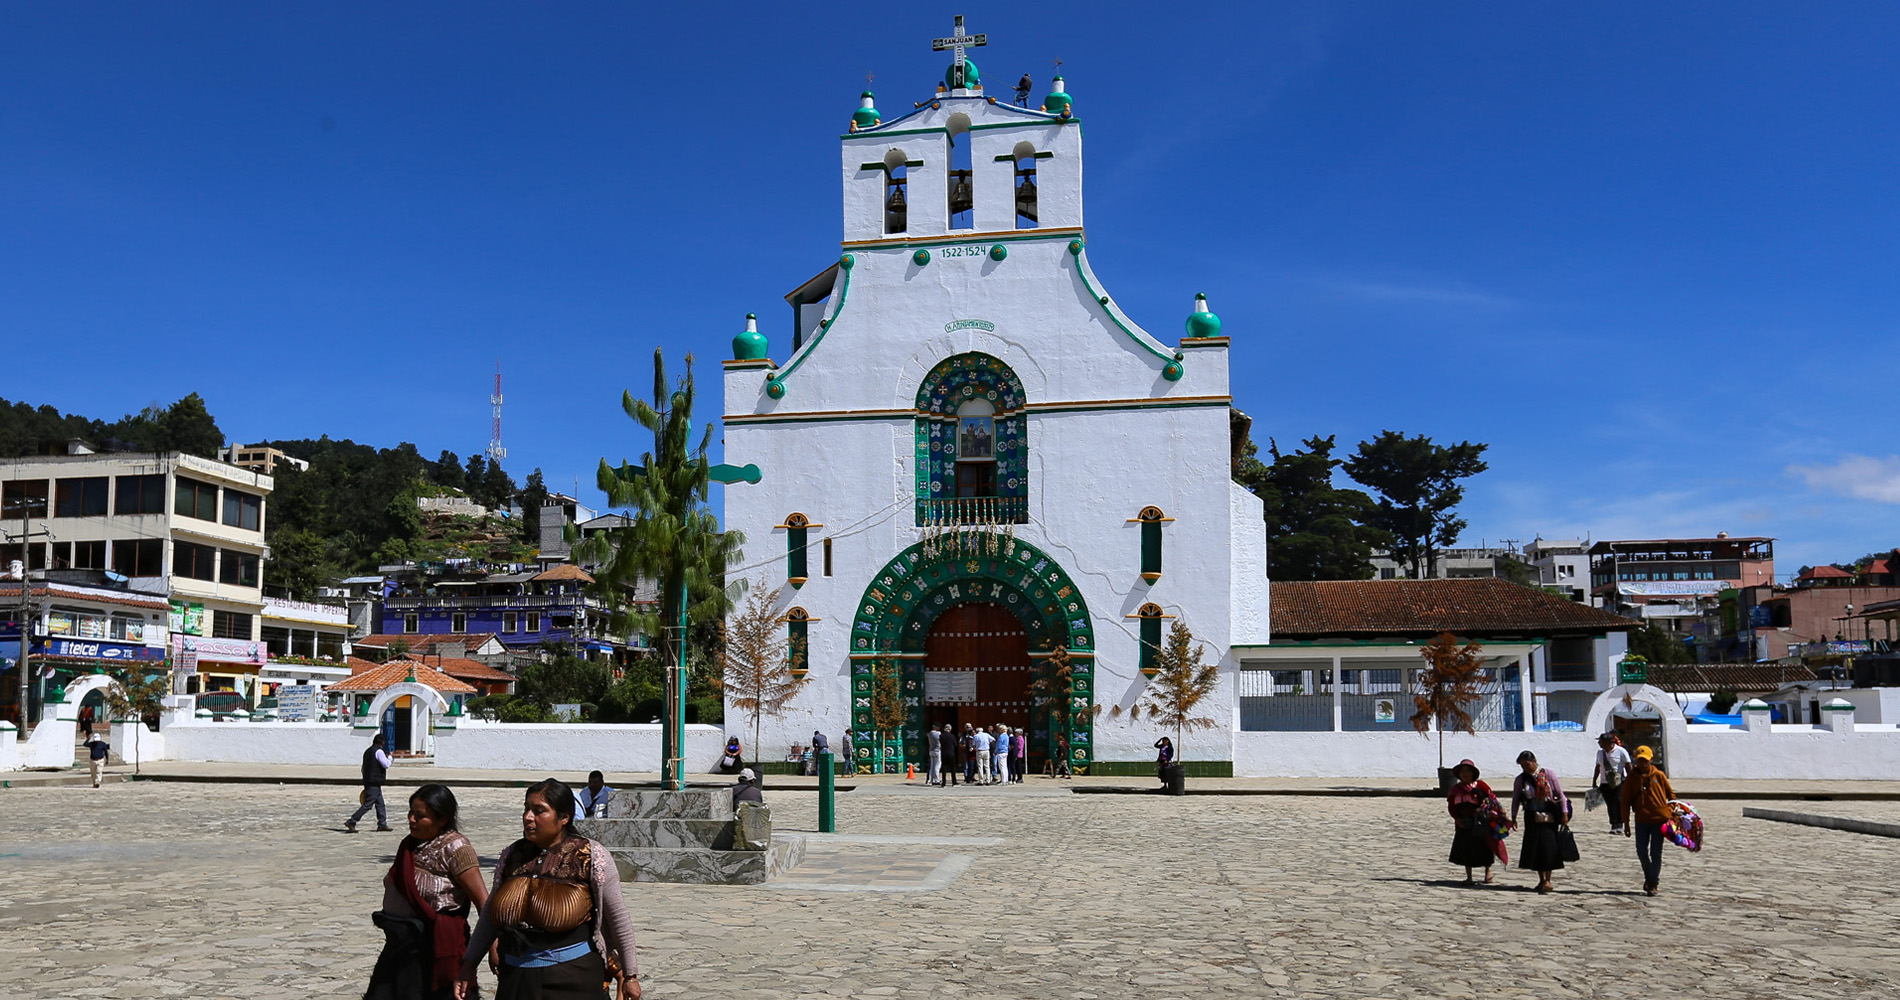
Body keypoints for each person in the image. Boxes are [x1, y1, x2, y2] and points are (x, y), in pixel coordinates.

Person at [458, 778, 641, 1000]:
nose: (528, 817)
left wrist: (630, 976)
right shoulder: (512, 856)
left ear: (564, 817)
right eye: (526, 809)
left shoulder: (590, 856)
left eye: (539, 811)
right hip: (515, 980)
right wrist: (469, 964)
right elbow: (489, 917)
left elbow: (618, 918)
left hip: (574, 981)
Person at [367, 784, 491, 1000]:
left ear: (442, 819)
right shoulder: (411, 845)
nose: (411, 820)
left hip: (435, 945)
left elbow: (483, 901)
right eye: (411, 813)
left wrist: (492, 947)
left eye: (420, 816)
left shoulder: (456, 848)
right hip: (402, 943)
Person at [1510, 750, 1571, 894]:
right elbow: (1516, 799)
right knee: (1536, 849)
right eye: (1522, 765)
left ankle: (1548, 879)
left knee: (1548, 849)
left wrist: (1564, 813)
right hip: (1532, 817)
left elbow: (1560, 796)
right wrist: (1513, 816)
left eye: (1527, 763)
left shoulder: (1548, 775)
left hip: (1549, 817)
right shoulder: (1521, 780)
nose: (1525, 767)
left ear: (1534, 761)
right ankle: (1541, 879)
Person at [1619, 745, 1677, 897]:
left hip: (1660, 820)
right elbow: (1625, 802)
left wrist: (1670, 811)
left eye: (1645, 761)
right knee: (1641, 851)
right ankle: (1649, 878)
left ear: (1651, 760)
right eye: (1640, 761)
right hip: (1642, 821)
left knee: (1656, 853)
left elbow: (1672, 796)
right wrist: (1626, 823)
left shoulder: (1659, 776)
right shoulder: (1631, 779)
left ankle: (1653, 883)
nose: (1643, 764)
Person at [1445, 759, 1507, 885]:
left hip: (1482, 821)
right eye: (1462, 771)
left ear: (1473, 773)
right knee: (1467, 849)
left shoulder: (1481, 786)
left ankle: (1487, 873)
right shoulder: (1455, 790)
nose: (1465, 774)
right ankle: (1469, 877)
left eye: (1468, 771)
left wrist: (1493, 811)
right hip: (1465, 822)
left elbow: (1492, 799)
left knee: (1486, 847)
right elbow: (1451, 807)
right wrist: (1457, 819)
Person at [348, 735, 395, 833]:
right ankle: (352, 821)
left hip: (369, 780)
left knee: (380, 804)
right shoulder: (379, 752)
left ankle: (382, 824)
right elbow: (386, 764)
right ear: (382, 743)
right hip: (374, 781)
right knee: (368, 804)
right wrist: (390, 758)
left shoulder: (367, 751)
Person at [1592, 732, 1632, 834]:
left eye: (1601, 742)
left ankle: (1620, 824)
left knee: (1619, 802)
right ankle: (1614, 824)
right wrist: (1594, 781)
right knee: (1610, 804)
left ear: (1609, 743)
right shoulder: (1600, 753)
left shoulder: (1621, 751)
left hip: (1619, 782)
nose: (1600, 744)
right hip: (1605, 783)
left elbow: (1628, 766)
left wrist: (1630, 780)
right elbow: (1598, 767)